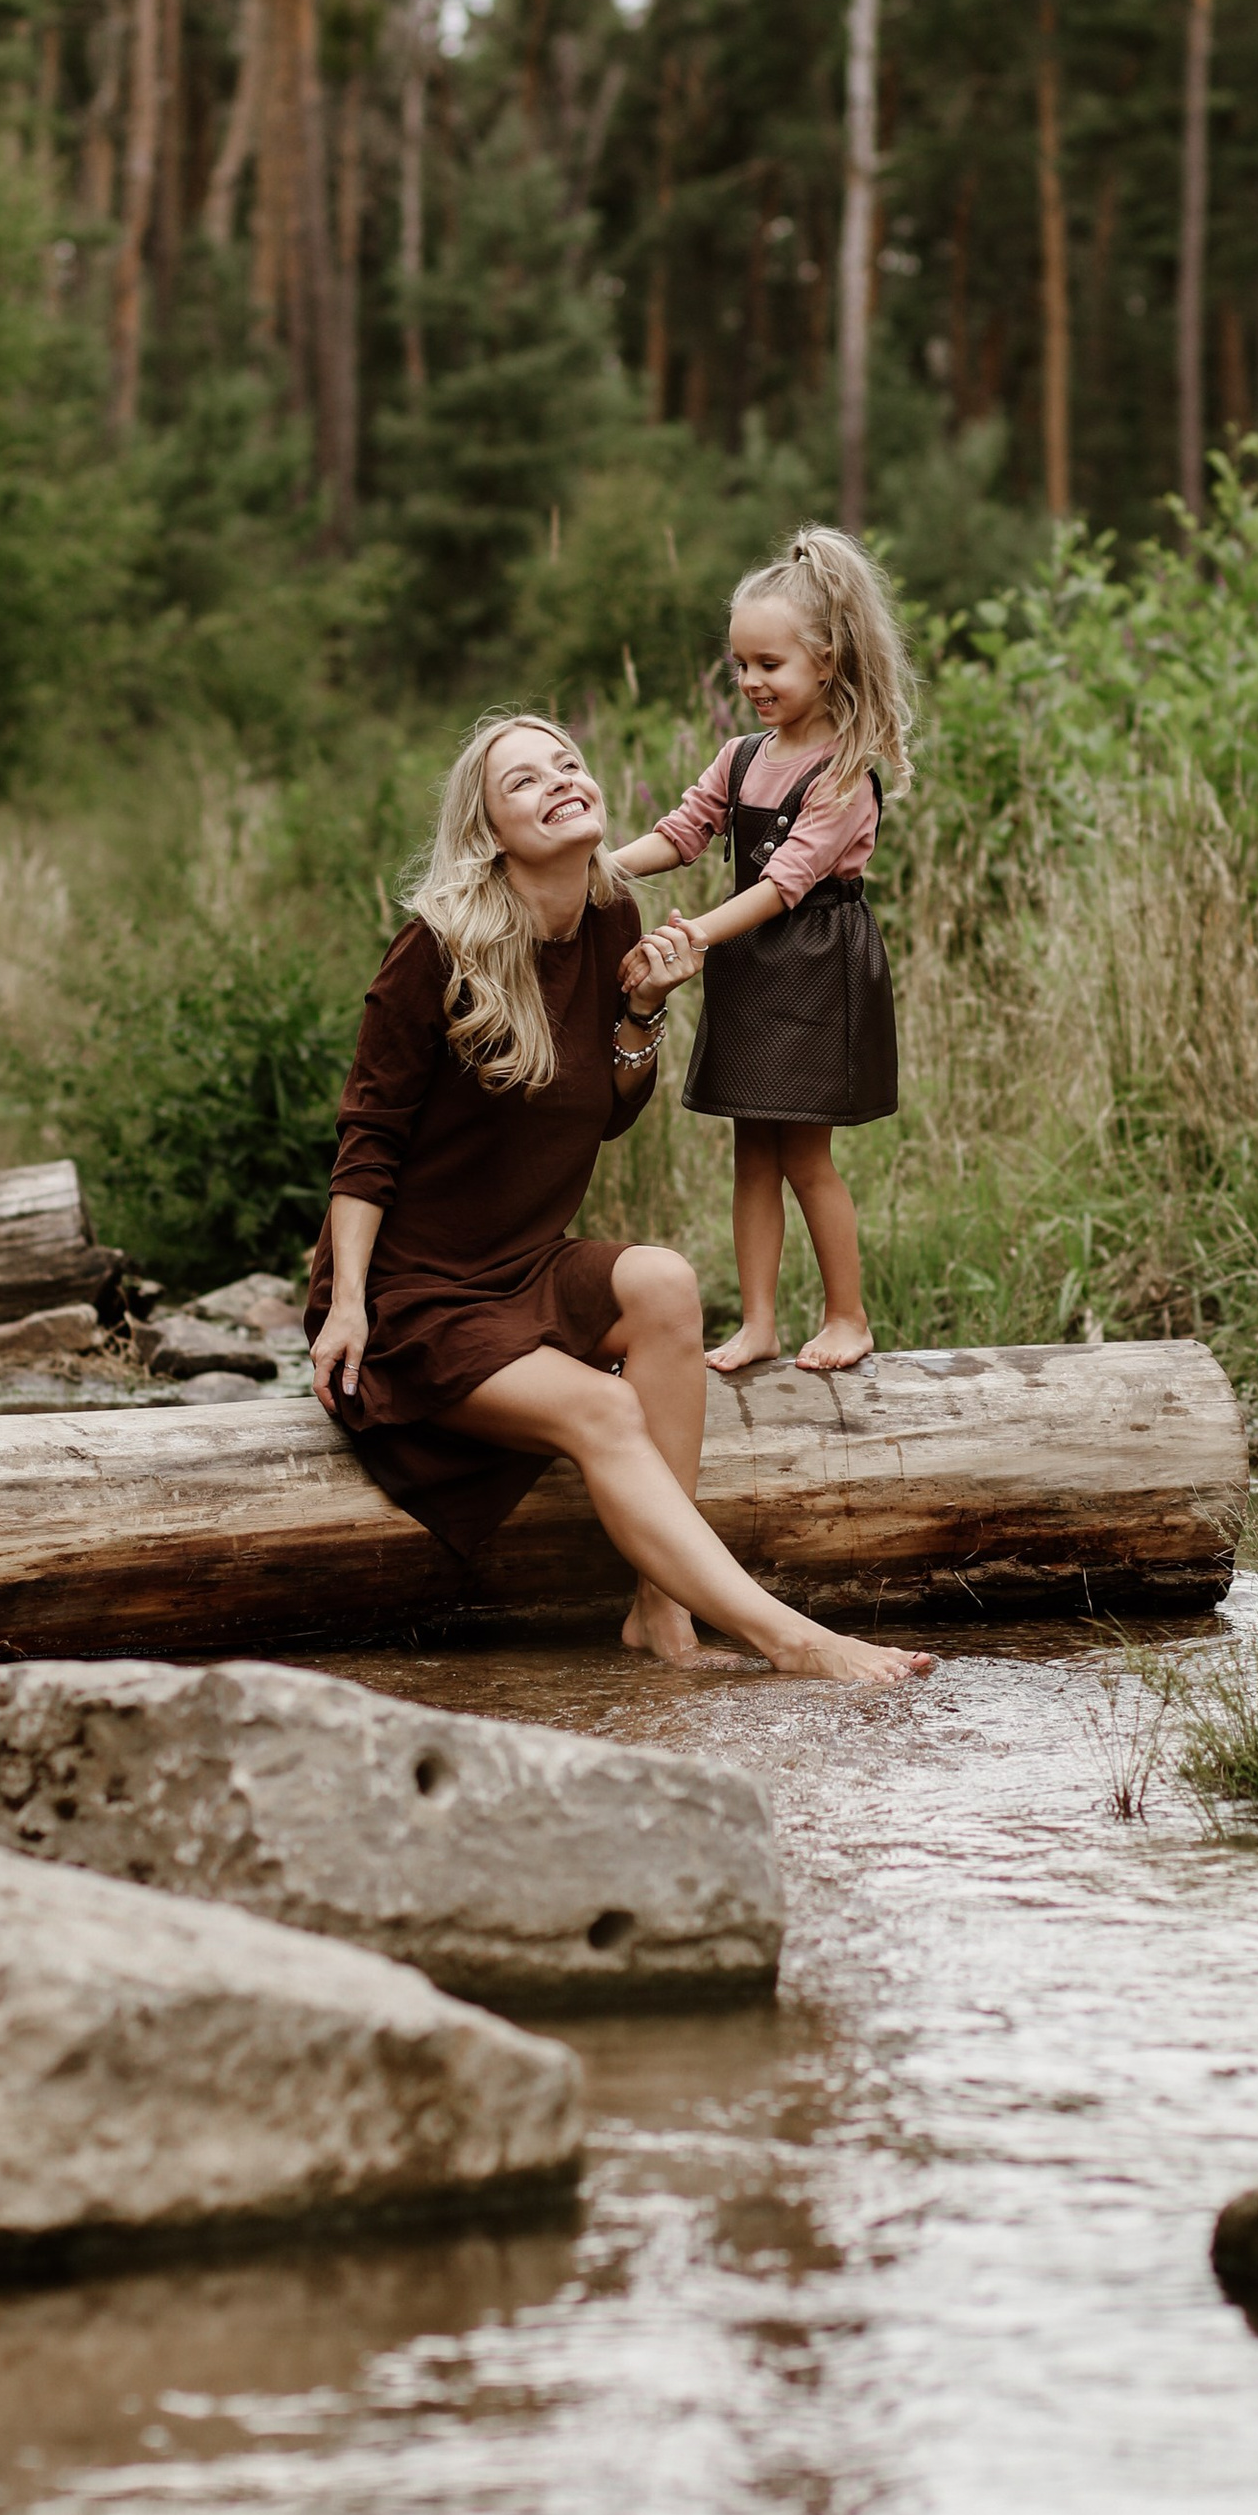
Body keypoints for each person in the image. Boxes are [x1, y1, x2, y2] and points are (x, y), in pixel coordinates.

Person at [304, 710, 930, 1684]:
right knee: (602, 1409)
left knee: (667, 1285)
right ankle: (790, 1640)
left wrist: (640, 1010)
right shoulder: (432, 951)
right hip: (414, 1299)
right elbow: (367, 1143)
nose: (559, 779)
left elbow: (604, 1115)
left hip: (521, 1268)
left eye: (568, 762)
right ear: (487, 833)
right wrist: (348, 1304)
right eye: (523, 781)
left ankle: (659, 1618)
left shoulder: (609, 920)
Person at [609, 525, 911, 1377]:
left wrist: (694, 932)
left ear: (828, 661)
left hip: (815, 967)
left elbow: (785, 884)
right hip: (751, 965)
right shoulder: (741, 758)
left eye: (769, 666)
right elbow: (683, 832)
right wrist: (602, 865)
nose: (750, 683)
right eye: (741, 666)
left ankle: (848, 1315)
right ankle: (760, 1324)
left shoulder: (844, 772)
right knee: (752, 1148)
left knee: (806, 1155)